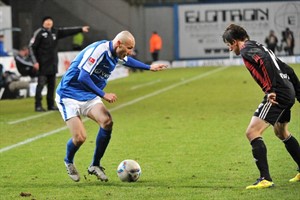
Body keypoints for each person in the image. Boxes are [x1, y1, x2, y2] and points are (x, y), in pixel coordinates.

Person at [55, 30, 167, 182]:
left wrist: (149, 67)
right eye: (129, 48)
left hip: (89, 95)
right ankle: (68, 160)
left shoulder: (117, 53)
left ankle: (95, 165)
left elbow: (128, 61)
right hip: (69, 95)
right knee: (80, 137)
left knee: (107, 122)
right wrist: (103, 94)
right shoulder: (99, 50)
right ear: (119, 43)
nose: (130, 52)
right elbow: (83, 76)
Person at [222, 24, 300, 189]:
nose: (230, 49)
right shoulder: (259, 46)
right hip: (287, 91)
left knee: (252, 132)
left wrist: (270, 89)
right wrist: (298, 94)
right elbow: (288, 69)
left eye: (229, 45)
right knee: (281, 131)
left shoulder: (246, 50)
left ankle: (265, 178)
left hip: (277, 93)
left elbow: (264, 62)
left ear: (235, 41)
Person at [29, 16, 89, 112]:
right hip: (42, 65)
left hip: (52, 64)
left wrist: (80, 29)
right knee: (40, 85)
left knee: (52, 86)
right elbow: (31, 47)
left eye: (50, 21)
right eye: (46, 21)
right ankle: (38, 105)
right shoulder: (39, 33)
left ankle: (50, 105)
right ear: (43, 23)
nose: (49, 22)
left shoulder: (55, 32)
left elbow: (67, 31)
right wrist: (35, 62)